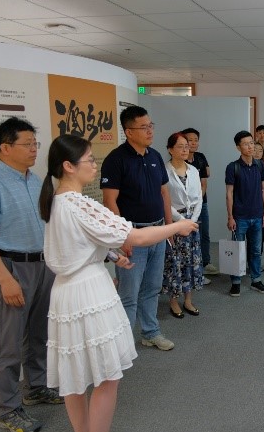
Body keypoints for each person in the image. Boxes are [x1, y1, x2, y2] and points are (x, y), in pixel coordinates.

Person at [39, 134, 197, 432]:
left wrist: (111, 255)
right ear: (68, 166)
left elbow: (77, 243)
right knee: (107, 377)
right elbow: (135, 236)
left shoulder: (57, 201)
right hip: (89, 292)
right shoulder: (78, 204)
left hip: (66, 292)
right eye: (89, 160)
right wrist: (177, 226)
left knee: (75, 377)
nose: (94, 165)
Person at [0, 117, 63, 432]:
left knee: (39, 334)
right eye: (27, 144)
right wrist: (5, 279)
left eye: (36, 144)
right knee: (7, 343)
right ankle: (7, 409)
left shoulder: (36, 181)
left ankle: (36, 387)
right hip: (12, 267)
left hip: (42, 265)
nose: (34, 149)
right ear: (5, 148)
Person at [100, 105, 175, 351]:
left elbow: (164, 193)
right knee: (129, 294)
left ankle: (151, 332)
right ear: (129, 131)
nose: (150, 131)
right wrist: (122, 236)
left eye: (151, 125)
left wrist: (169, 228)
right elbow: (110, 200)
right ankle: (122, 345)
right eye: (144, 127)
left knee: (152, 288)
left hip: (157, 232)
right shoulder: (116, 160)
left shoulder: (155, 156)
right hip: (133, 235)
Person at [163, 132, 204, 318]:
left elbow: (199, 198)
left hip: (192, 222)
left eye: (186, 146)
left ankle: (188, 300)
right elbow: (163, 199)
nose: (185, 149)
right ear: (170, 149)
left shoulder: (193, 170)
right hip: (174, 221)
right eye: (180, 146)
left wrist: (192, 220)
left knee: (191, 261)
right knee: (174, 262)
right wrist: (181, 220)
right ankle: (173, 301)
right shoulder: (164, 170)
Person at [225, 130, 264, 296]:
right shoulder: (233, 167)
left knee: (256, 250)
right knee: (237, 250)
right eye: (246, 144)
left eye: (251, 142)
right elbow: (229, 193)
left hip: (258, 216)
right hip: (240, 217)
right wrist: (230, 216)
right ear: (238, 147)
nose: (250, 146)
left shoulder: (260, 166)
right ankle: (236, 282)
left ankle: (256, 280)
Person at [183, 127, 219, 282]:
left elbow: (204, 181)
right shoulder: (180, 160)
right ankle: (192, 269)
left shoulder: (200, 157)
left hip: (201, 203)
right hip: (184, 207)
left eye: (195, 140)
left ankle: (206, 263)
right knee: (189, 238)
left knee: (204, 234)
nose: (193, 143)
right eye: (189, 140)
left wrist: (198, 201)